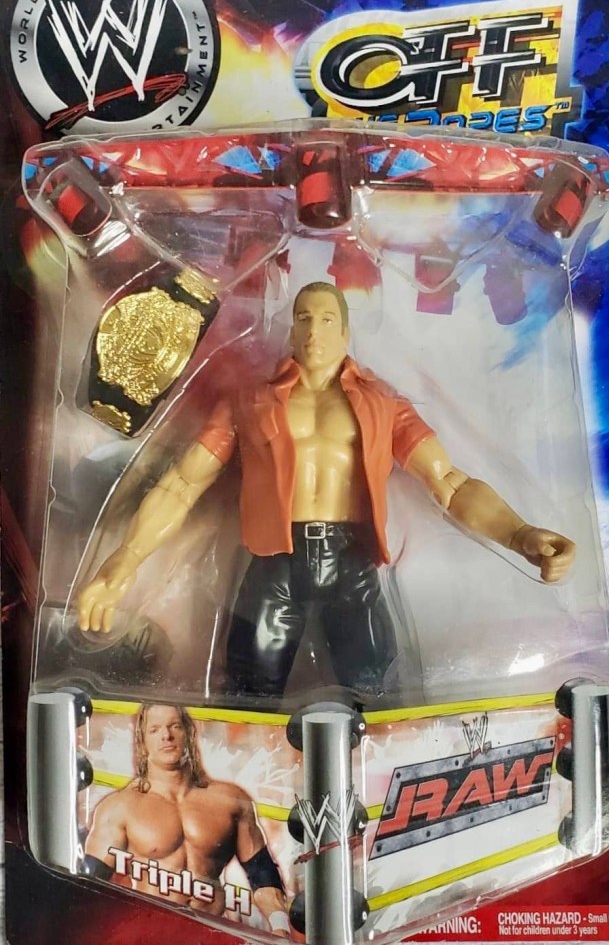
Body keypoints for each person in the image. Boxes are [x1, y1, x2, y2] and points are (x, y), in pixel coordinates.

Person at [77, 281, 575, 700]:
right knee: (247, 698)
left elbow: (449, 482)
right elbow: (184, 483)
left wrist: (519, 534)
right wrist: (125, 559)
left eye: (327, 319)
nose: (314, 330)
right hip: (274, 565)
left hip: (352, 564)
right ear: (292, 329)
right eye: (304, 318)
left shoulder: (383, 404)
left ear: (345, 330)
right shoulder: (249, 401)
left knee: (376, 696)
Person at [83, 703, 289, 934]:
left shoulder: (230, 800)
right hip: (153, 932)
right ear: (142, 741)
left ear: (189, 733)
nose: (166, 736)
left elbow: (262, 876)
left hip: (213, 932)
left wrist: (280, 929)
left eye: (174, 726)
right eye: (155, 730)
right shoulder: (118, 808)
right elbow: (88, 887)